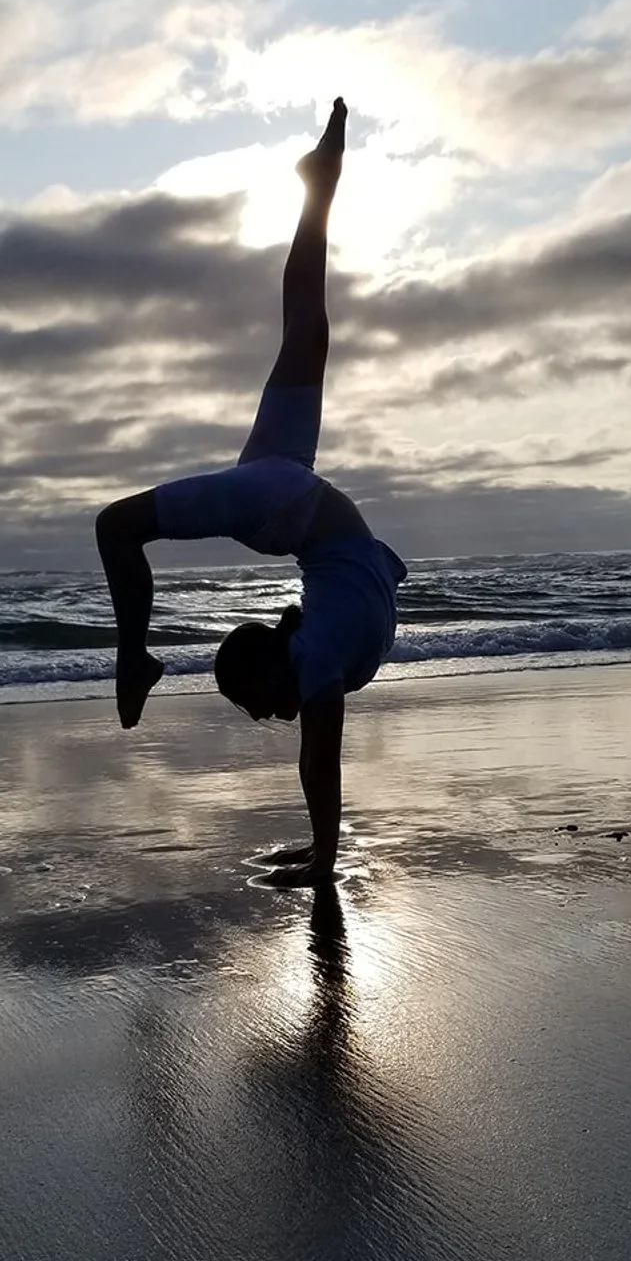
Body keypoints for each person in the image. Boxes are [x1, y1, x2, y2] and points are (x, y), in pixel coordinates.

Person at [96, 98, 405, 889]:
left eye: (252, 699)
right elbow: (319, 755)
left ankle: (133, 660)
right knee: (307, 328)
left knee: (116, 526)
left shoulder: (318, 655)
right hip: (289, 497)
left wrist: (323, 863)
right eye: (250, 707)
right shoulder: (322, 652)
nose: (261, 715)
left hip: (280, 502)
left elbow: (318, 761)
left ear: (275, 659)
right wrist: (321, 854)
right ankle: (317, 188)